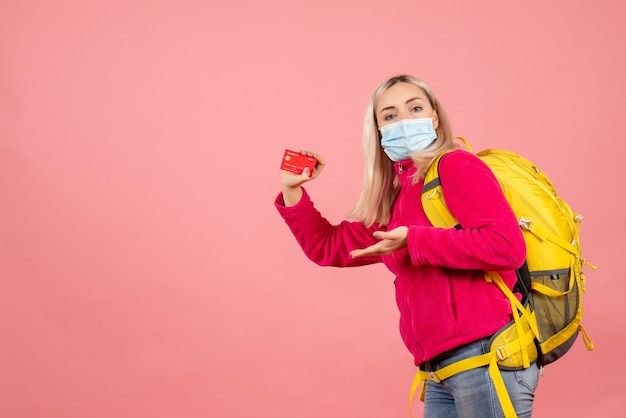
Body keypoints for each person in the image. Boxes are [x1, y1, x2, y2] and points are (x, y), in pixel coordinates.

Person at [274, 74, 539, 418]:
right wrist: (293, 189)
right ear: (379, 131)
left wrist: (415, 239)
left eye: (414, 108)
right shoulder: (399, 195)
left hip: (486, 356)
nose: (403, 120)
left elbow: (506, 246)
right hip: (437, 370)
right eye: (390, 115)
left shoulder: (456, 166)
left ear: (434, 118)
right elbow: (329, 247)